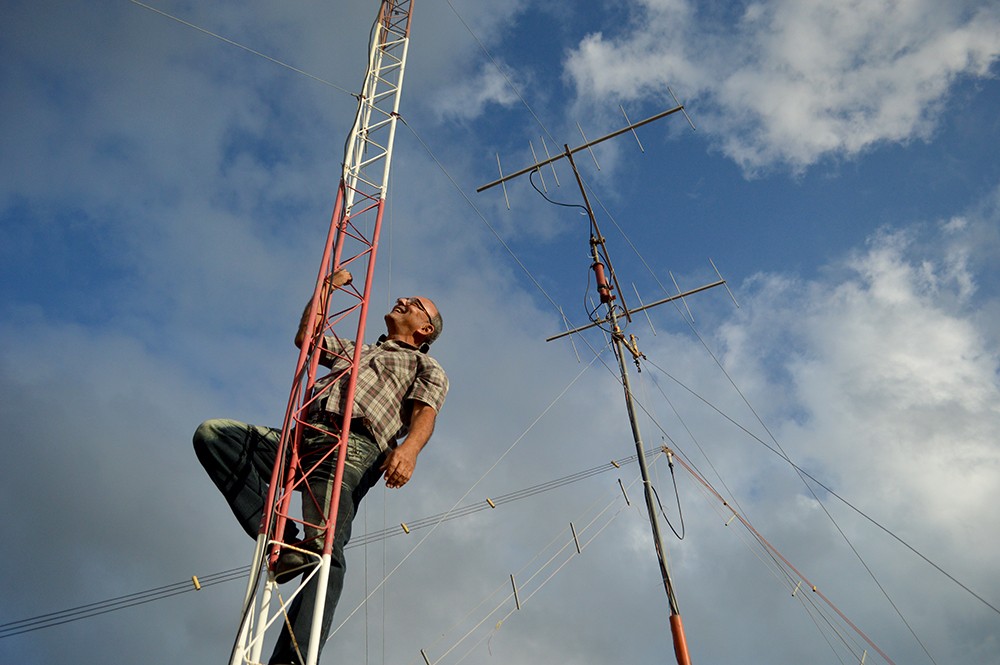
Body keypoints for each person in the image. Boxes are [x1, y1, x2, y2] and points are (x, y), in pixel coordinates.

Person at [193, 269, 448, 665]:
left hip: (354, 446)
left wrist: (410, 451)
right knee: (214, 435)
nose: (404, 300)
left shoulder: (425, 367)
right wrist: (325, 290)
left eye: (416, 305)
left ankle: (291, 659)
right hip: (303, 437)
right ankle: (284, 536)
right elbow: (307, 339)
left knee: (326, 545)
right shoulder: (359, 350)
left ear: (425, 329)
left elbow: (424, 413)